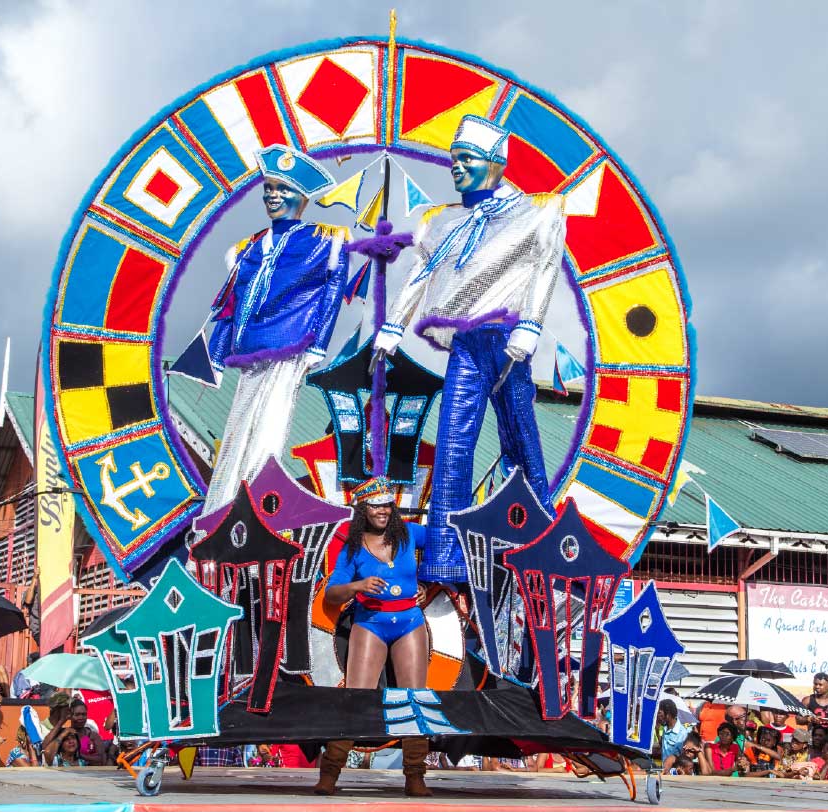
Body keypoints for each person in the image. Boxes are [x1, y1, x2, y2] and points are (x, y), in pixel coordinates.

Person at [372, 114, 565, 583]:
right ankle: (445, 554)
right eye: (454, 159)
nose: (456, 168)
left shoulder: (536, 210)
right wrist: (394, 324)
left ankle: (542, 537)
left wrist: (532, 326)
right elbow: (422, 272)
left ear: (496, 163)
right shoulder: (442, 220)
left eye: (467, 160)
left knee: (520, 436)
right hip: (466, 343)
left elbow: (545, 266)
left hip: (506, 335)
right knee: (454, 439)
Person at [199, 144, 349, 516]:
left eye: (282, 189)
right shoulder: (246, 247)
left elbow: (333, 290)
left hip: (291, 342)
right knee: (238, 428)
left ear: (302, 196)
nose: (273, 196)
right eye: (268, 189)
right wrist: (215, 356)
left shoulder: (325, 239)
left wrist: (319, 343)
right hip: (249, 349)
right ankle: (220, 504)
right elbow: (228, 306)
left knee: (270, 427)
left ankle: (253, 503)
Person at [313, 477, 430, 797]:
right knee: (355, 698)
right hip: (371, 622)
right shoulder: (353, 549)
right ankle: (330, 772)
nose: (381, 510)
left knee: (415, 698)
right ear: (362, 510)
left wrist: (429, 586)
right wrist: (357, 587)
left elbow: (445, 547)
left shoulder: (408, 534)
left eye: (386, 504)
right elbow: (333, 595)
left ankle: (416, 776)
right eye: (375, 505)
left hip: (409, 622)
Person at [41, 698, 105, 766]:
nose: (81, 717)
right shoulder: (64, 732)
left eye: (84, 714)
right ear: (70, 716)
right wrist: (62, 720)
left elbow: (101, 759)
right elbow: (44, 747)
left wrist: (79, 755)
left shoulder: (91, 735)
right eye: (77, 715)